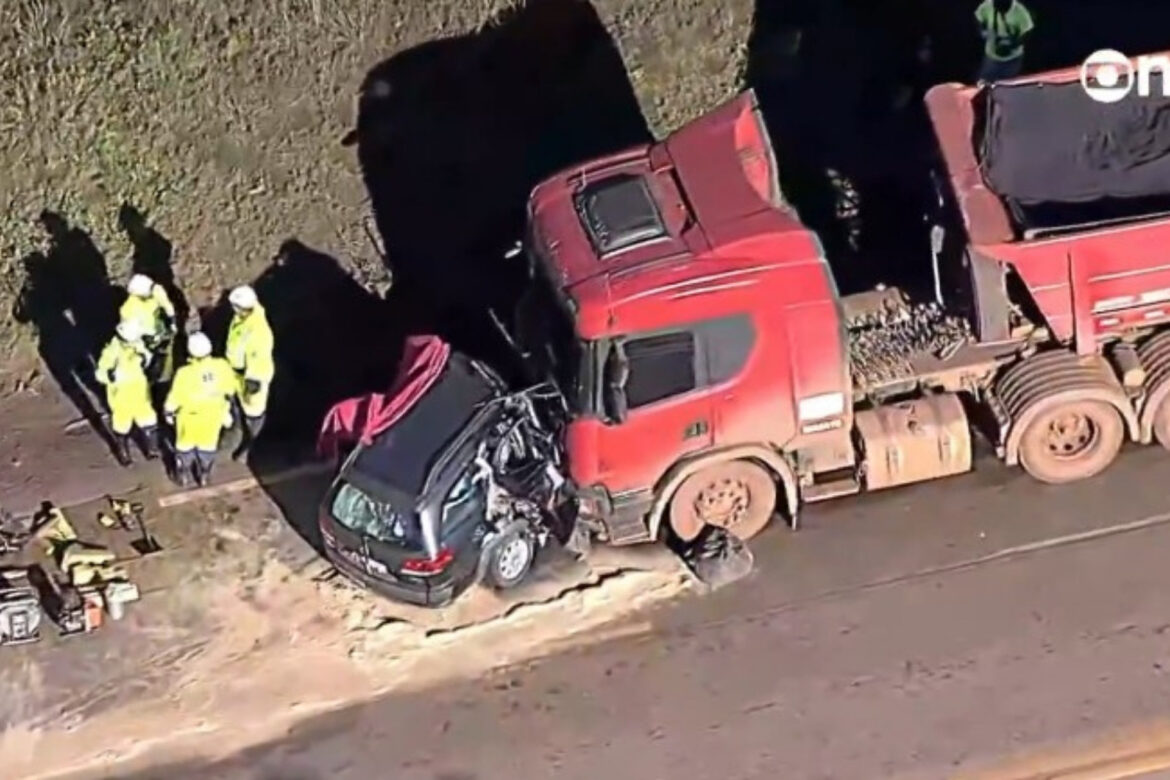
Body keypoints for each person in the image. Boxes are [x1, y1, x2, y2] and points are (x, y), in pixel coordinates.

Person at [164, 332, 238, 487]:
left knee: (184, 447)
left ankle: (183, 475)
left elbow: (174, 398)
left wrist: (168, 411)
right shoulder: (222, 366)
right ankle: (204, 475)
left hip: (189, 419)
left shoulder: (184, 373)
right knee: (208, 447)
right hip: (213, 417)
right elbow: (230, 390)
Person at [95, 320, 159, 466]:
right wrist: (109, 376)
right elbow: (100, 373)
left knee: (148, 419)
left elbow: (146, 355)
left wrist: (145, 359)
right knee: (121, 424)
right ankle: (123, 452)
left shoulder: (137, 343)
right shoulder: (111, 351)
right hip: (121, 395)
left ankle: (151, 449)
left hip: (140, 390)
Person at [225, 284, 275, 460]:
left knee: (254, 413)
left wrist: (253, 382)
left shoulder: (258, 331)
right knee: (236, 406)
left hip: (252, 379)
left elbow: (259, 358)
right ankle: (237, 432)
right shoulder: (243, 318)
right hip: (236, 372)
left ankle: (252, 445)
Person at [120, 272, 177, 385]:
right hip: (144, 341)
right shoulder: (128, 309)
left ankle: (164, 380)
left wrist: (171, 322)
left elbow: (167, 305)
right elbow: (130, 334)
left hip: (160, 334)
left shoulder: (154, 290)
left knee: (165, 360)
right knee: (149, 364)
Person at [975, 0, 1034, 83]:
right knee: (983, 84)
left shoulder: (1020, 11)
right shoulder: (988, 5)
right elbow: (979, 17)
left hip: (1012, 60)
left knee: (1007, 87)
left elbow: (1028, 31)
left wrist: (1012, 46)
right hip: (991, 58)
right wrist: (982, 31)